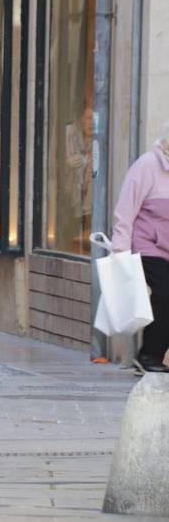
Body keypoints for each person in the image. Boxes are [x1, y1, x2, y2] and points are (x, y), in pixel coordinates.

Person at [111, 123, 169, 375]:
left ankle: (152, 354)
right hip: (149, 247)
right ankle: (149, 356)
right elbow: (126, 209)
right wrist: (120, 250)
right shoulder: (147, 166)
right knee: (165, 294)